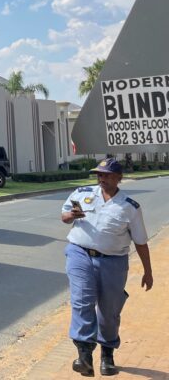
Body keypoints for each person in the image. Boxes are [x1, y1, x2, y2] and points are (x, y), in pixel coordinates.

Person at [61, 157, 153, 376]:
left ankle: (107, 354)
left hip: (113, 261)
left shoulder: (129, 207)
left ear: (119, 178)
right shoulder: (82, 194)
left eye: (107, 175)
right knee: (82, 301)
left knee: (109, 311)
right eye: (99, 174)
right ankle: (84, 355)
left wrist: (148, 271)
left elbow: (140, 241)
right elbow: (64, 216)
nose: (102, 178)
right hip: (79, 254)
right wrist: (70, 215)